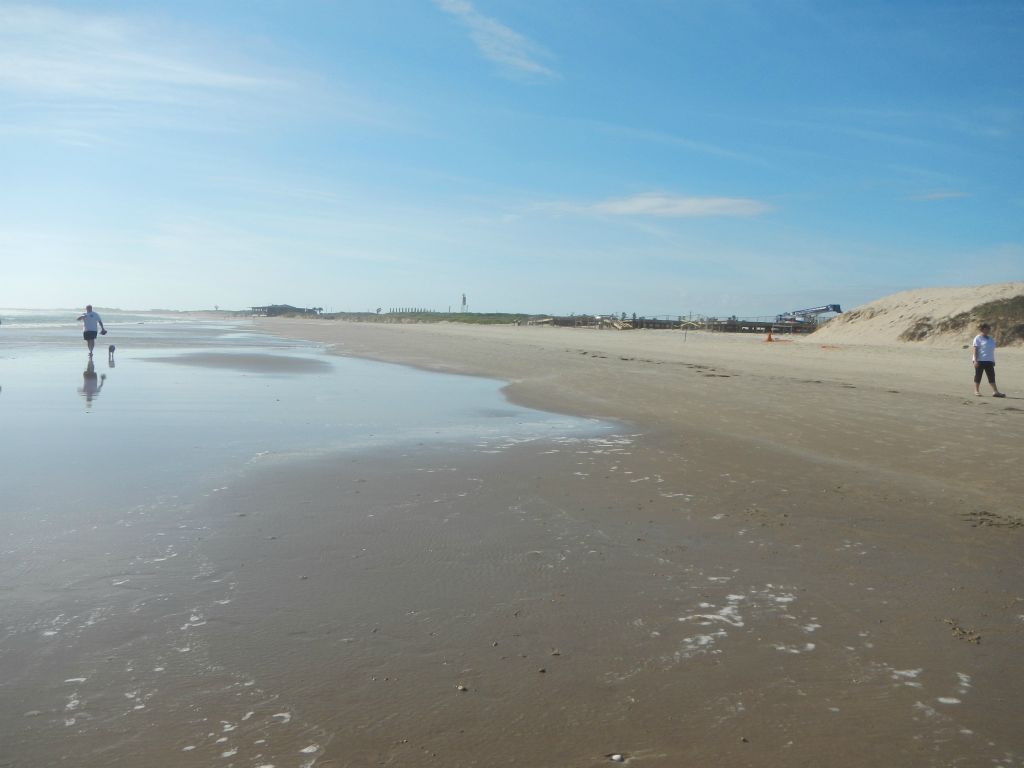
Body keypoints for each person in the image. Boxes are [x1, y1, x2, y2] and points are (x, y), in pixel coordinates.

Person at [971, 323, 1005, 397]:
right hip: (980, 360)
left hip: (989, 360)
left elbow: (991, 350)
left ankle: (995, 392)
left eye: (989, 328)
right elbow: (975, 349)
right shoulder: (978, 338)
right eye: (986, 328)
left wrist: (993, 360)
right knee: (978, 375)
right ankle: (976, 391)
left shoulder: (990, 339)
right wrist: (975, 360)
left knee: (991, 376)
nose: (988, 330)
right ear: (982, 329)